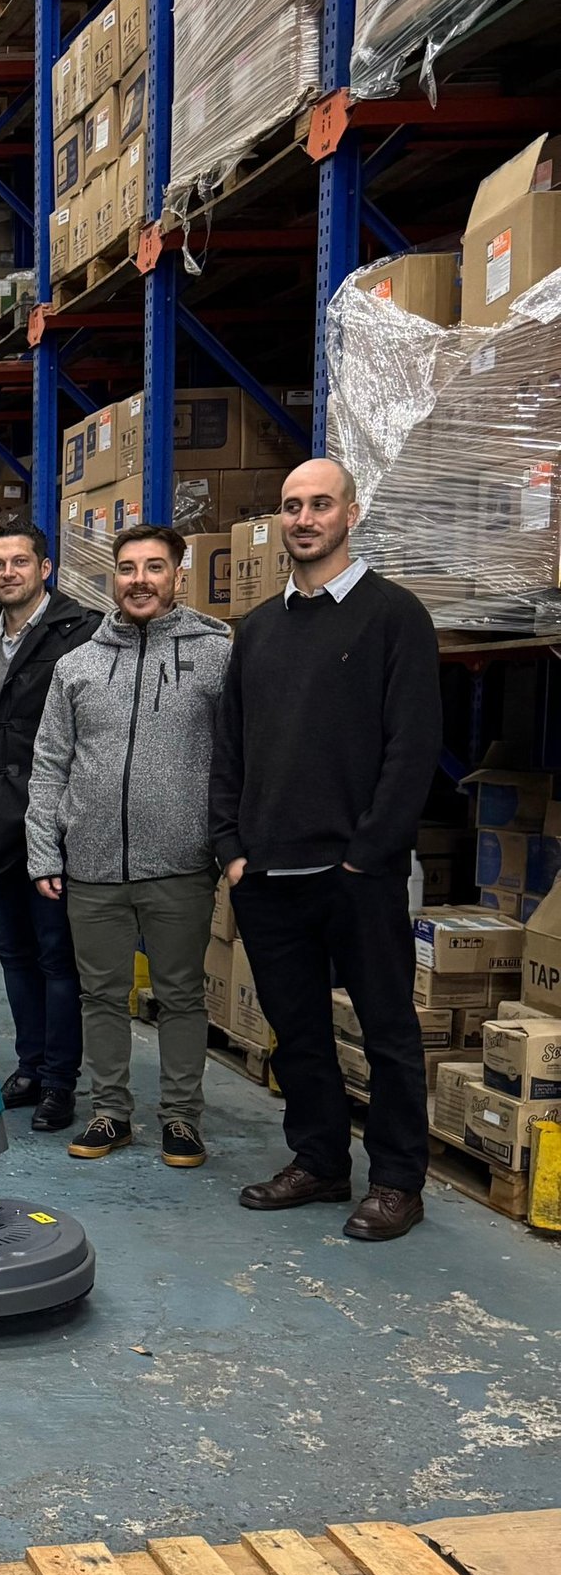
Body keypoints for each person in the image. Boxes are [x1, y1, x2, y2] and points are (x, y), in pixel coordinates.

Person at [211, 459, 442, 1242]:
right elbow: (230, 747)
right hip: (268, 876)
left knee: (386, 1033)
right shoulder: (259, 628)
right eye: (290, 507)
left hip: (357, 875)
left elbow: (412, 750)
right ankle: (318, 1159)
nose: (303, 519)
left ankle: (399, 1181)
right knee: (298, 1031)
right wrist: (231, 850)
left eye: (319, 505)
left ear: (351, 514)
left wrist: (368, 853)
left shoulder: (393, 616)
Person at [26, 523, 230, 1168]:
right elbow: (50, 761)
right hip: (91, 864)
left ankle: (181, 1119)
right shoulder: (78, 663)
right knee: (101, 995)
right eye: (127, 568)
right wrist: (45, 850)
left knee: (181, 994)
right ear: (113, 577)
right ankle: (110, 1113)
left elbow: (240, 758)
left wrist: (228, 842)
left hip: (180, 862)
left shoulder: (219, 654)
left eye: (154, 567)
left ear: (177, 574)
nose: (139, 580)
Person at [0, 525, 100, 1130]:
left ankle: (61, 1081)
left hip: (50, 824)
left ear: (46, 567)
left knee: (56, 958)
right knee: (12, 954)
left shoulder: (80, 633)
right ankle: (31, 1065)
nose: (8, 572)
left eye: (20, 562)